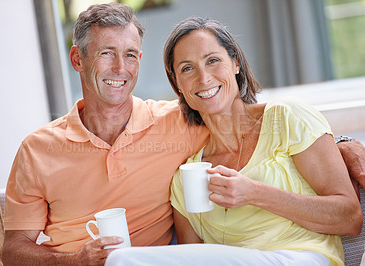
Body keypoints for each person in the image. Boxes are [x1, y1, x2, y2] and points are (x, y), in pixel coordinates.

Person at [104, 17, 363, 266]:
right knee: (121, 259)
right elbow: (193, 258)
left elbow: (350, 218)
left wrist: (255, 193)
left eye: (213, 60)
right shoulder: (186, 179)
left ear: (236, 63)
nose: (203, 78)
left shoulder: (286, 117)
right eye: (187, 68)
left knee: (121, 260)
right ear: (177, 84)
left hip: (302, 257)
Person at [2, 3, 208, 265]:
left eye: (130, 55)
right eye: (107, 53)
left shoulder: (176, 122)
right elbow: (13, 251)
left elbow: (241, 126)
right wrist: (76, 261)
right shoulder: (36, 150)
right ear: (78, 59)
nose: (120, 68)